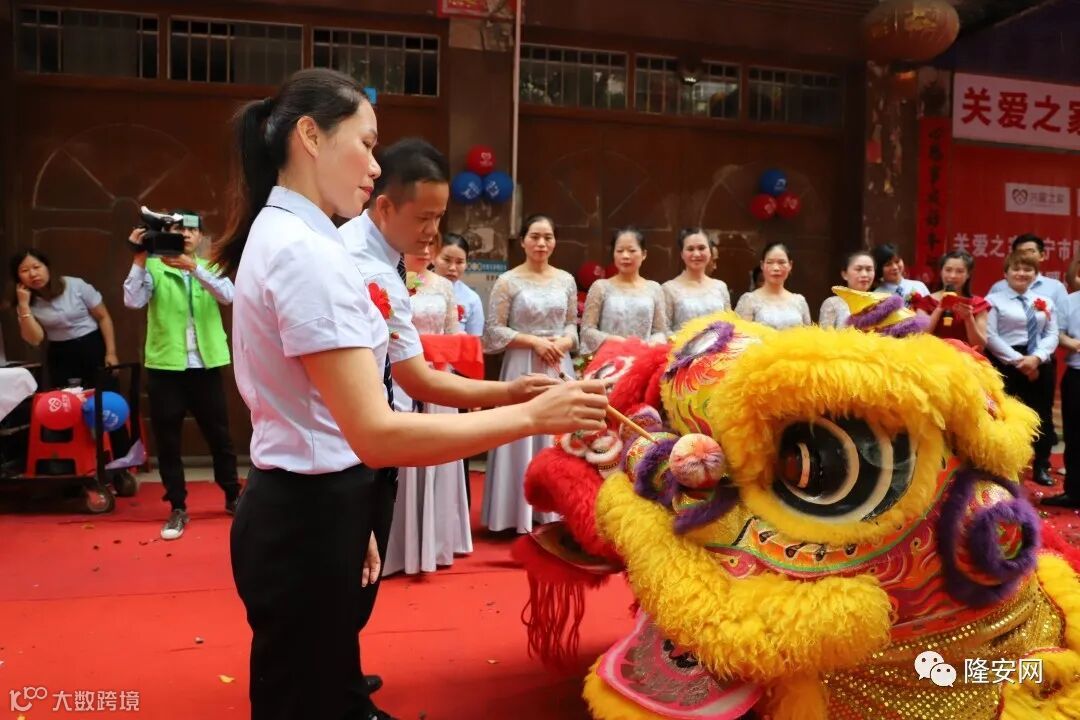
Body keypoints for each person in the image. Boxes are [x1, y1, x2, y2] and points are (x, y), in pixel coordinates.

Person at [218, 69, 607, 720]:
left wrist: (352, 518)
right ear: (310, 136)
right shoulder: (307, 253)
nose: (375, 166)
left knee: (321, 683)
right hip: (307, 511)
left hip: (315, 501)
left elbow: (358, 410)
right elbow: (378, 430)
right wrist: (530, 414)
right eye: (366, 143)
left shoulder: (297, 236)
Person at [124, 210, 240, 540]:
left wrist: (194, 268)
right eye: (177, 229)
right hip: (166, 367)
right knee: (169, 441)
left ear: (200, 236)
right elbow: (132, 300)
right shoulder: (154, 267)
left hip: (206, 365)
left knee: (220, 436)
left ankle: (233, 496)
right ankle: (177, 506)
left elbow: (229, 295)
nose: (185, 234)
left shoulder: (210, 266)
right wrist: (139, 259)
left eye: (191, 229)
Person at [482, 214, 579, 534]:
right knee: (518, 430)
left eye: (547, 237)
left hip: (558, 363)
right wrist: (533, 341)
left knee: (556, 435)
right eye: (535, 237)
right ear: (522, 241)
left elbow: (571, 324)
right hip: (521, 362)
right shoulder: (508, 281)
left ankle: (554, 511)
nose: (541, 243)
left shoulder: (565, 280)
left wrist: (564, 342)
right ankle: (514, 514)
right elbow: (494, 330)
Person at [383, 240, 472, 576]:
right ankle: (399, 543)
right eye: (417, 246)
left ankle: (437, 542)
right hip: (400, 375)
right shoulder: (388, 279)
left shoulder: (445, 287)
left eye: (429, 246)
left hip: (438, 375)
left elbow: (454, 334)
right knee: (404, 454)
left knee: (440, 453)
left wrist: (443, 354)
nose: (424, 252)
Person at [985, 252, 1058, 487]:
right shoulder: (993, 300)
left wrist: (1036, 358)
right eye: (1016, 269)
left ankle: (1041, 464)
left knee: (1042, 415)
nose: (1022, 273)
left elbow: (1052, 334)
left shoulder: (1045, 302)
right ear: (1005, 273)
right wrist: (1019, 361)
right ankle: (1006, 467)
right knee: (1006, 415)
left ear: (1035, 274)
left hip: (1039, 361)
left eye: (1028, 269)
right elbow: (990, 336)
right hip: (1006, 363)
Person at [11, 248, 119, 388]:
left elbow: (103, 317)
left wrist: (111, 353)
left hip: (92, 344)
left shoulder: (75, 285)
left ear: (47, 267)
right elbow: (35, 339)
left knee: (104, 393)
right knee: (67, 397)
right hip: (61, 353)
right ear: (18, 277)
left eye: (37, 267)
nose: (33, 274)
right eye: (24, 271)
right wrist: (24, 305)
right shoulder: (24, 302)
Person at [579, 227, 669, 356]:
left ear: (644, 254)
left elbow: (660, 331)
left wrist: (648, 346)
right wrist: (614, 341)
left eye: (632, 251)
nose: (625, 256)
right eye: (620, 251)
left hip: (642, 359)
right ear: (613, 254)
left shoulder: (654, 288)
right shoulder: (600, 287)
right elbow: (587, 330)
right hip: (608, 359)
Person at [1046, 281, 1080, 508]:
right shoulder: (1070, 301)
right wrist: (1074, 344)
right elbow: (1057, 334)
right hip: (1077, 374)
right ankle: (1075, 492)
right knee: (1075, 436)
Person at [914, 250, 989, 349]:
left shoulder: (978, 304)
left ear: (968, 274)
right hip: (931, 355)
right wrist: (939, 308)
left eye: (960, 271)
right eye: (948, 270)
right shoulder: (926, 302)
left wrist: (968, 318)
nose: (952, 276)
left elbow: (980, 345)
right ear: (941, 271)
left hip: (965, 356)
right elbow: (919, 336)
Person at [662, 228, 731, 332]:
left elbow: (729, 325)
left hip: (718, 342)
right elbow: (663, 330)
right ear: (682, 254)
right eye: (690, 249)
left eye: (701, 248)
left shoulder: (720, 287)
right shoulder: (669, 289)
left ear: (710, 252)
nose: (696, 254)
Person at [734, 242, 811, 330]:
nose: (776, 268)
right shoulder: (749, 300)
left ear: (790, 265)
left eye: (781, 262)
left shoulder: (800, 302)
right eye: (770, 262)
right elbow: (740, 335)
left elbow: (809, 335)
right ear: (762, 265)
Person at [987, 233, 1069, 313]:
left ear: (1042, 256)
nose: (1026, 256)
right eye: (1020, 252)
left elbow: (1062, 319)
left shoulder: (1056, 288)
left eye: (1031, 251)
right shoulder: (999, 287)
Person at [432, 233, 484, 336]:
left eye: (459, 262)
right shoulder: (414, 286)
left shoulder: (472, 299)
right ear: (433, 257)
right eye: (446, 260)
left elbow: (474, 339)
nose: (452, 268)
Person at [818, 250, 875, 329]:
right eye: (858, 269)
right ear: (844, 274)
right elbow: (824, 335)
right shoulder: (833, 303)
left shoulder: (881, 303)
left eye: (869, 269)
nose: (864, 274)